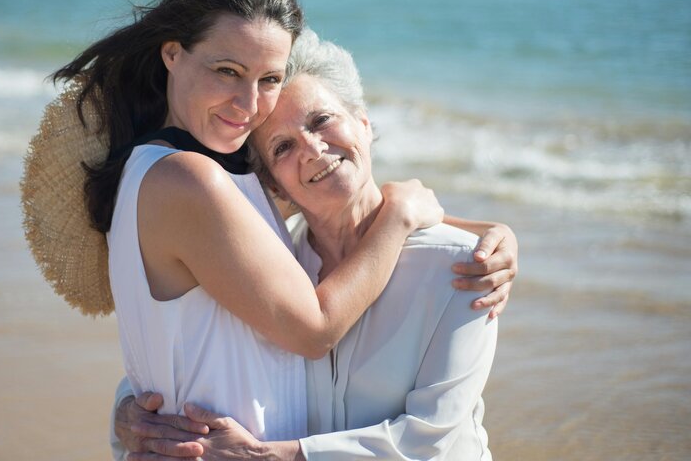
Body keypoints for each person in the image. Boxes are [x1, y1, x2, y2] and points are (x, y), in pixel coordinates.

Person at [38, 0, 452, 446]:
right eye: (227, 71)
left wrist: (484, 235)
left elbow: (342, 215)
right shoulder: (188, 180)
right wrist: (399, 215)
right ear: (172, 54)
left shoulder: (179, 172)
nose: (249, 104)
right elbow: (314, 330)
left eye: (269, 79)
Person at [112, 30, 515, 460]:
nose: (312, 148)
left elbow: (428, 439)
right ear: (273, 185)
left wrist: (274, 456)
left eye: (321, 120)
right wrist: (131, 412)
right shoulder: (276, 265)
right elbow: (191, 346)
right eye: (282, 147)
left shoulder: (463, 266)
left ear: (363, 123)